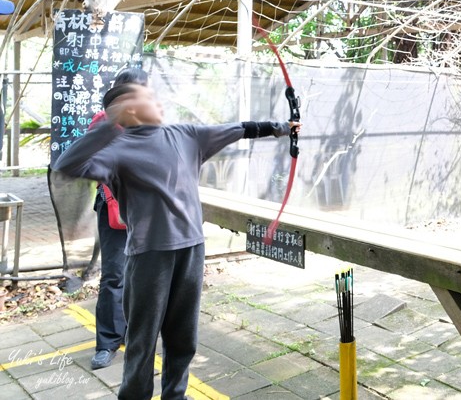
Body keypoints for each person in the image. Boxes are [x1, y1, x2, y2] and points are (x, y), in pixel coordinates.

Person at [54, 81, 300, 400]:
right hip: (149, 254)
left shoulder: (186, 135)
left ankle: (176, 395)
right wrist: (107, 125)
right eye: (146, 98)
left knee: (183, 337)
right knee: (142, 341)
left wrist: (282, 127)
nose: (157, 101)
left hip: (192, 248)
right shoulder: (117, 148)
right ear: (127, 109)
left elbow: (238, 129)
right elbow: (67, 165)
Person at [89, 68, 148, 371]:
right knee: (114, 274)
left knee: (147, 276)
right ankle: (108, 342)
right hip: (113, 207)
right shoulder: (104, 122)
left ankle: (139, 336)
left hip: (148, 209)